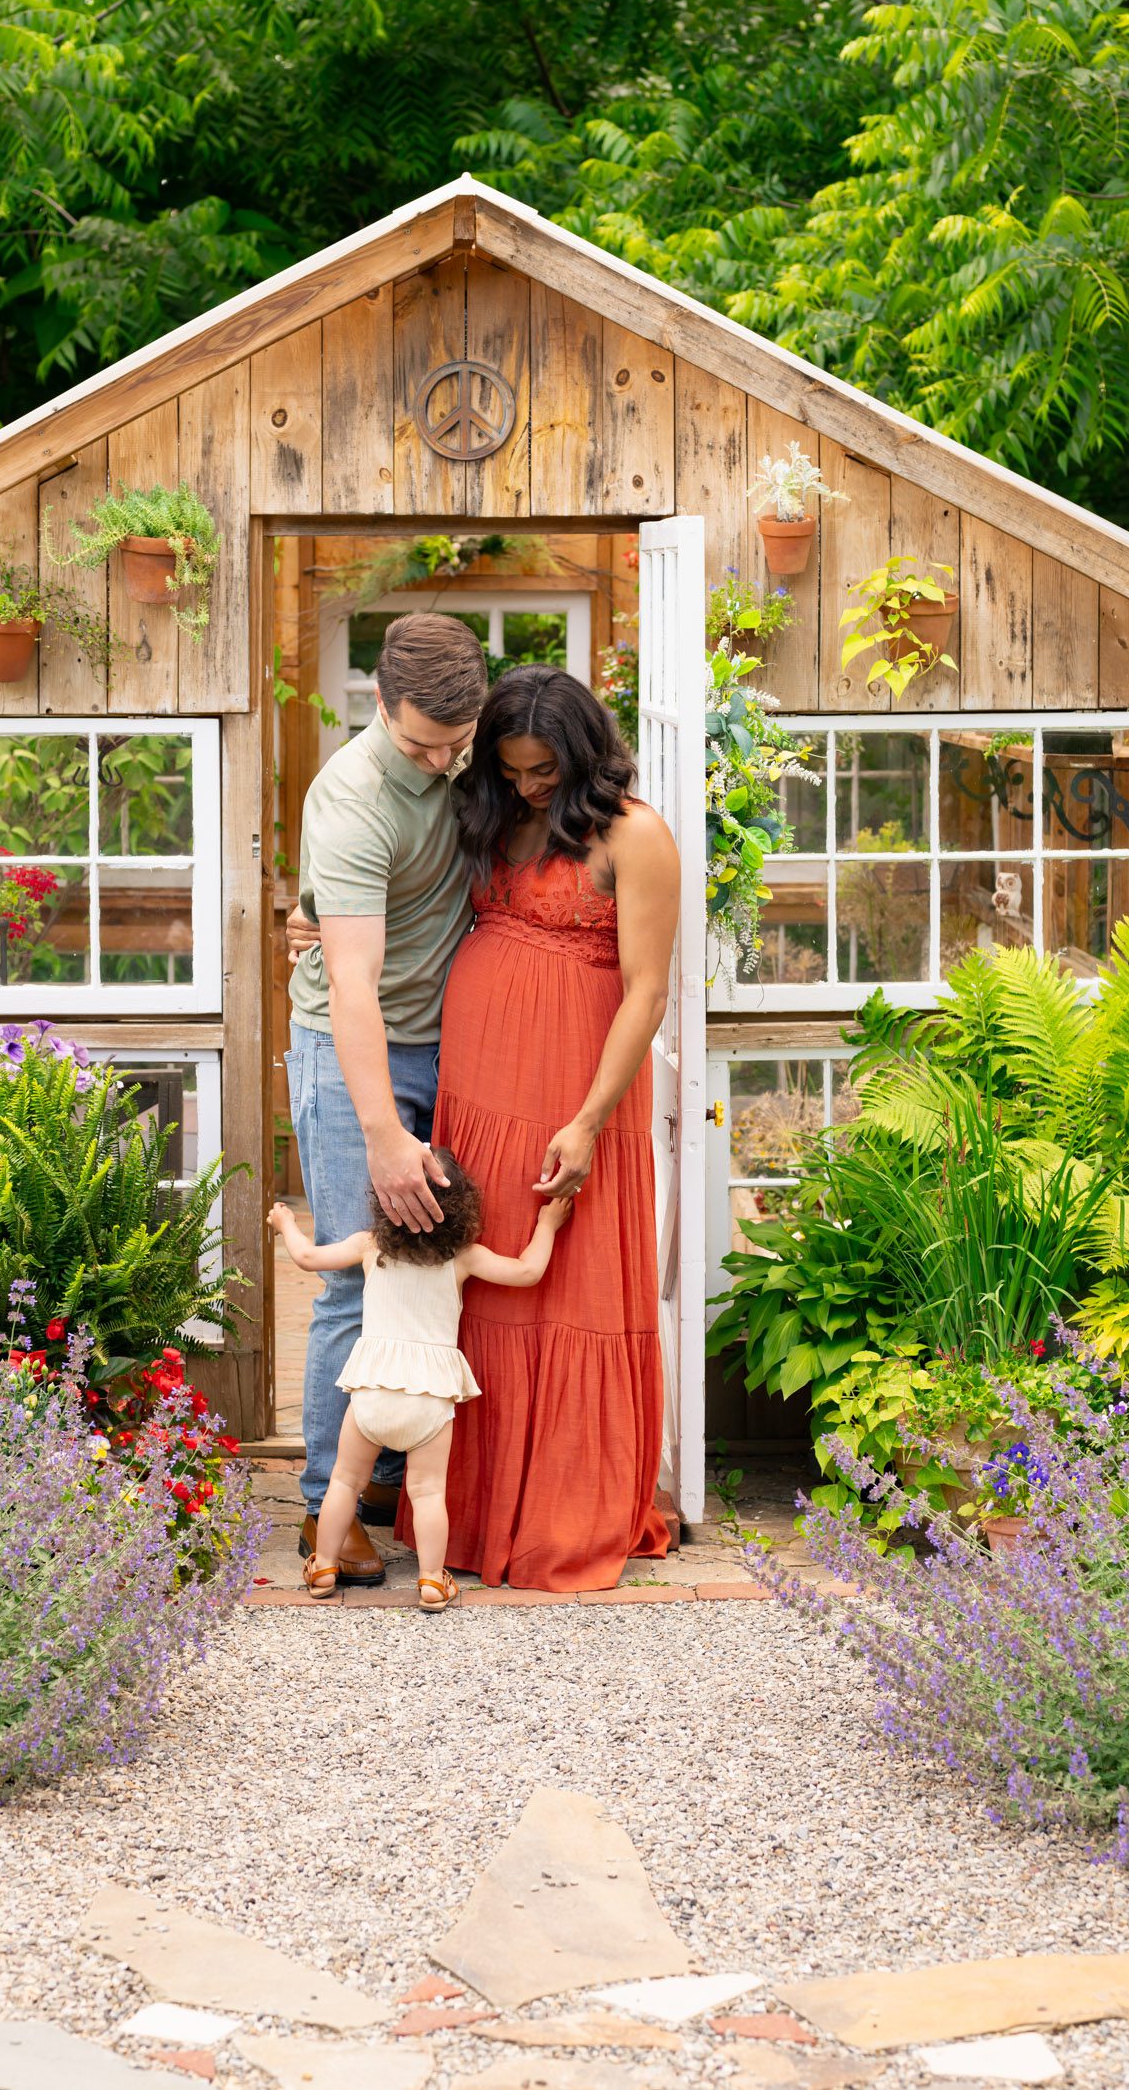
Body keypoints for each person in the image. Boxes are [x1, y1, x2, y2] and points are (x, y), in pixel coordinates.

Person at [410, 664, 681, 1590]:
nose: (527, 786)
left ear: (582, 753)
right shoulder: (496, 814)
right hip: (480, 1088)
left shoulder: (633, 834)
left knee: (567, 1289)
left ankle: (565, 1510)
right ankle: (472, 1507)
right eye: (512, 768)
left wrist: (588, 1121)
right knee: (479, 1285)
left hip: (574, 1090)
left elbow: (647, 990)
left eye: (542, 771)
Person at [285, 611, 490, 1585]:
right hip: (349, 1051)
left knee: (434, 1263)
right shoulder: (351, 799)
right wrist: (379, 1134)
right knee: (349, 1277)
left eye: (459, 738)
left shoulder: (465, 751)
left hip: (446, 1040)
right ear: (377, 701)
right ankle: (324, 1504)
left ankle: (380, 1479)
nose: (444, 758)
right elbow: (352, 983)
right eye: (422, 742)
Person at [269, 1159, 572, 1610]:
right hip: (429, 1399)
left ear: (387, 1202)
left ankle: (325, 1565)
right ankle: (432, 1579)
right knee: (428, 1491)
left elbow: (308, 1257)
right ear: (461, 1207)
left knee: (345, 1482)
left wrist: (285, 1222)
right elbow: (528, 1272)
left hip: (372, 1391)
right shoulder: (463, 1257)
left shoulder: (371, 1246)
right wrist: (547, 1223)